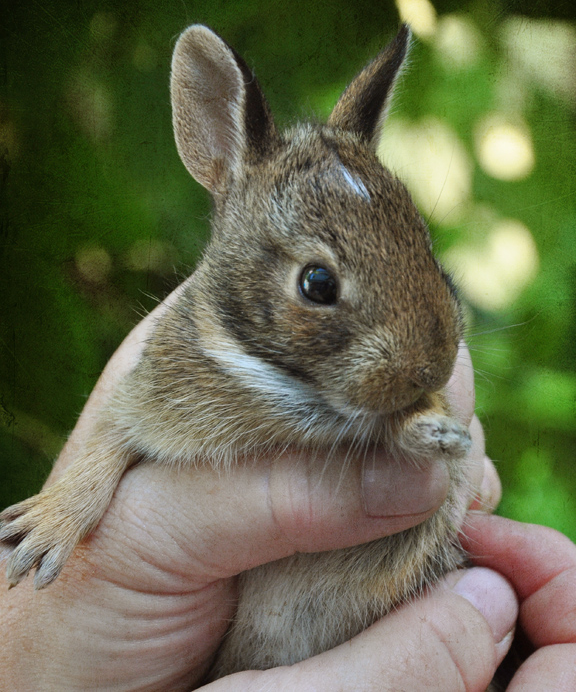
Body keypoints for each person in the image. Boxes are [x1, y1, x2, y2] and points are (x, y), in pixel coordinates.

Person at [1, 291, 575, 691]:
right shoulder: (196, 353)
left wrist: (412, 426)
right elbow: (126, 424)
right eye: (319, 286)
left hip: (382, 597)